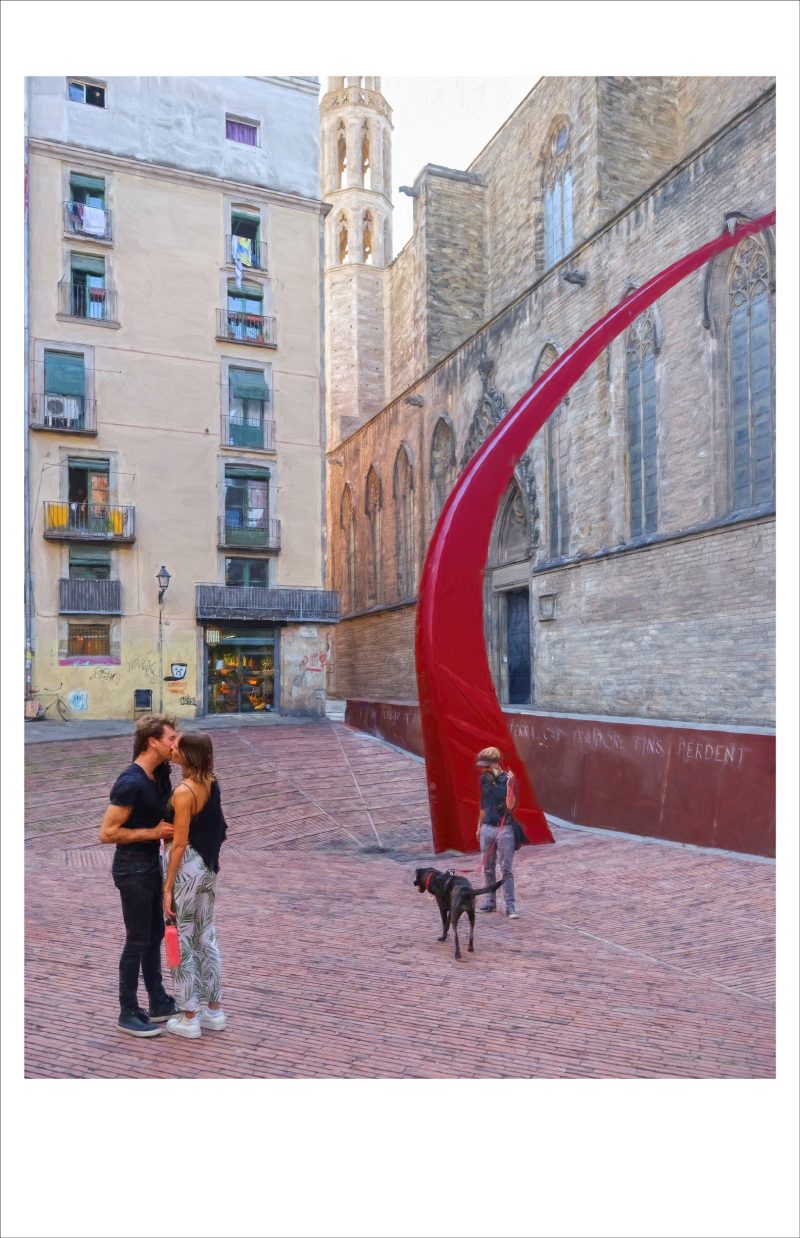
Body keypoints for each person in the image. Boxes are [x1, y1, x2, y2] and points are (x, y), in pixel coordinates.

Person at [98, 714, 180, 1036]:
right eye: (171, 738)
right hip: (131, 868)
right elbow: (107, 833)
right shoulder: (130, 782)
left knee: (155, 934)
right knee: (137, 939)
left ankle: (158, 1001)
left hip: (150, 864)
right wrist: (153, 832)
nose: (176, 743)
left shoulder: (160, 774)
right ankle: (128, 1011)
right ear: (152, 742)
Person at [161, 732, 228, 1039]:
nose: (172, 748)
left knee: (180, 939)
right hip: (209, 865)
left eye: (178, 746)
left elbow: (178, 843)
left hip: (187, 867)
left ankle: (189, 1016)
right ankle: (214, 1011)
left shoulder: (183, 792)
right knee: (206, 936)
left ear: (189, 755)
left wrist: (167, 886)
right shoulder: (212, 782)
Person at [475, 746, 520, 918]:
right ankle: (490, 902)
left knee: (506, 868)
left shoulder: (508, 779)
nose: (484, 769)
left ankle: (510, 906)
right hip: (487, 827)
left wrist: (510, 786)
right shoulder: (484, 779)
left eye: (486, 766)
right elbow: (483, 804)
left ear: (495, 763)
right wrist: (479, 825)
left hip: (504, 828)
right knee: (488, 868)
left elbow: (510, 806)